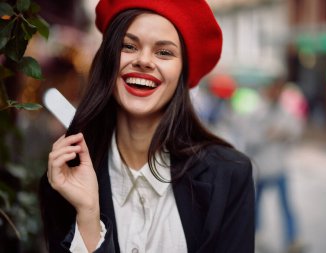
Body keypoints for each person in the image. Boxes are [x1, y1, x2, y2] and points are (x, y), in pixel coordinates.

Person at [39, 1, 255, 253]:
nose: (143, 61)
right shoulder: (67, 178)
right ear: (108, 59)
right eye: (128, 46)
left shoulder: (229, 175)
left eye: (164, 52)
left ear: (182, 71)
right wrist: (88, 215)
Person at [248, 79, 306, 253]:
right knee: (256, 205)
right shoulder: (257, 112)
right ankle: (256, 234)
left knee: (286, 205)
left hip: (279, 166)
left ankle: (292, 238)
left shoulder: (285, 112)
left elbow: (296, 132)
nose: (276, 93)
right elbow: (248, 138)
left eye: (278, 90)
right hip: (261, 167)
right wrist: (267, 134)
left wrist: (283, 133)